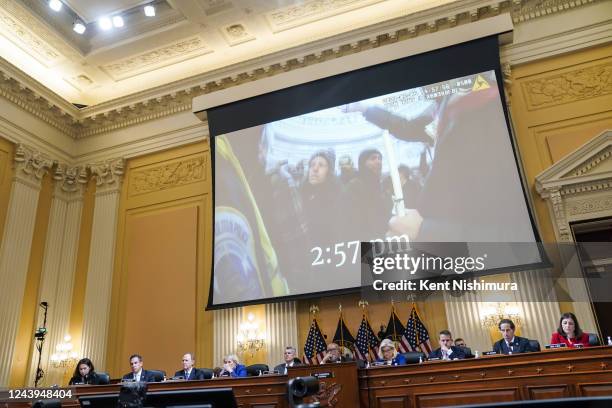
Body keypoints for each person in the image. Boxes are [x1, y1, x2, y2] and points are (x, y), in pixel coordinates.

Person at [344, 148, 392, 242]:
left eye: (379, 158)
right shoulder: (354, 185)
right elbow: (351, 219)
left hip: (382, 237)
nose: (378, 161)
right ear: (363, 163)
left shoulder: (379, 185)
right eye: (373, 158)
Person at [300, 150, 341, 245]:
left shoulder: (337, 198)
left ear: (329, 172)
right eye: (312, 165)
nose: (315, 169)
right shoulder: (301, 194)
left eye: (321, 165)